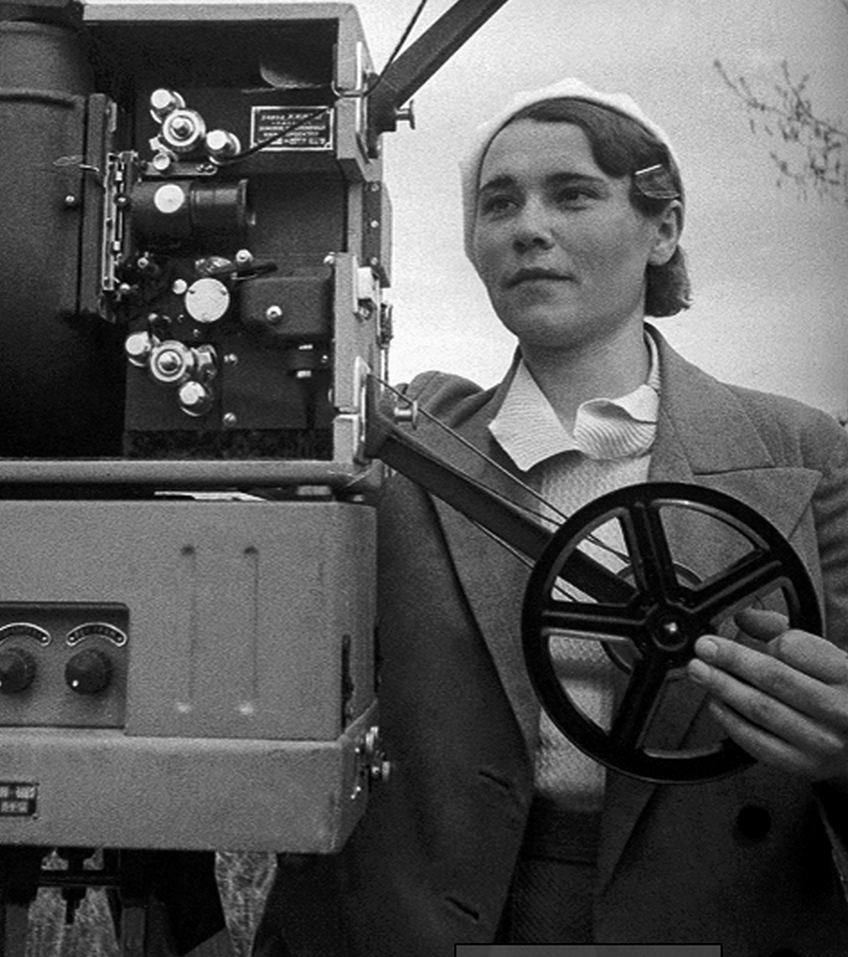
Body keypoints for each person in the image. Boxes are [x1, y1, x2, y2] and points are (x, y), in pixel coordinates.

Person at [252, 79, 848, 957]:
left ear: (664, 226)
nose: (529, 227)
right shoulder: (405, 447)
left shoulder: (803, 452)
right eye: (500, 204)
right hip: (430, 920)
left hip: (713, 918)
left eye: (574, 193)